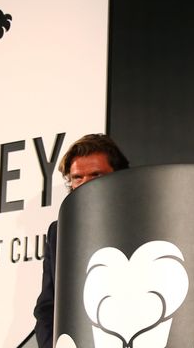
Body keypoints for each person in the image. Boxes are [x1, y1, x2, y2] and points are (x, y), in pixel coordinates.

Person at [33, 133, 130, 348]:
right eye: (77, 177)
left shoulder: (141, 219)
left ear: (119, 176)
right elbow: (47, 307)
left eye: (95, 175)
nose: (85, 184)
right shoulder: (59, 232)